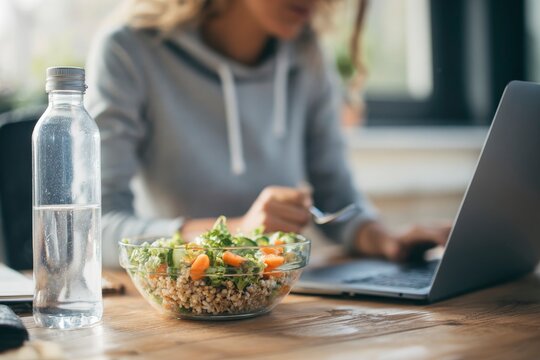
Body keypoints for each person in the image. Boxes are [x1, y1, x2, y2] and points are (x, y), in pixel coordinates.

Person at [86, 0, 450, 267]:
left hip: (279, 301)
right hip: (179, 308)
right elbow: (96, 229)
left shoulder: (307, 54)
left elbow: (336, 197)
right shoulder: (128, 49)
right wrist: (235, 232)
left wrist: (386, 240)